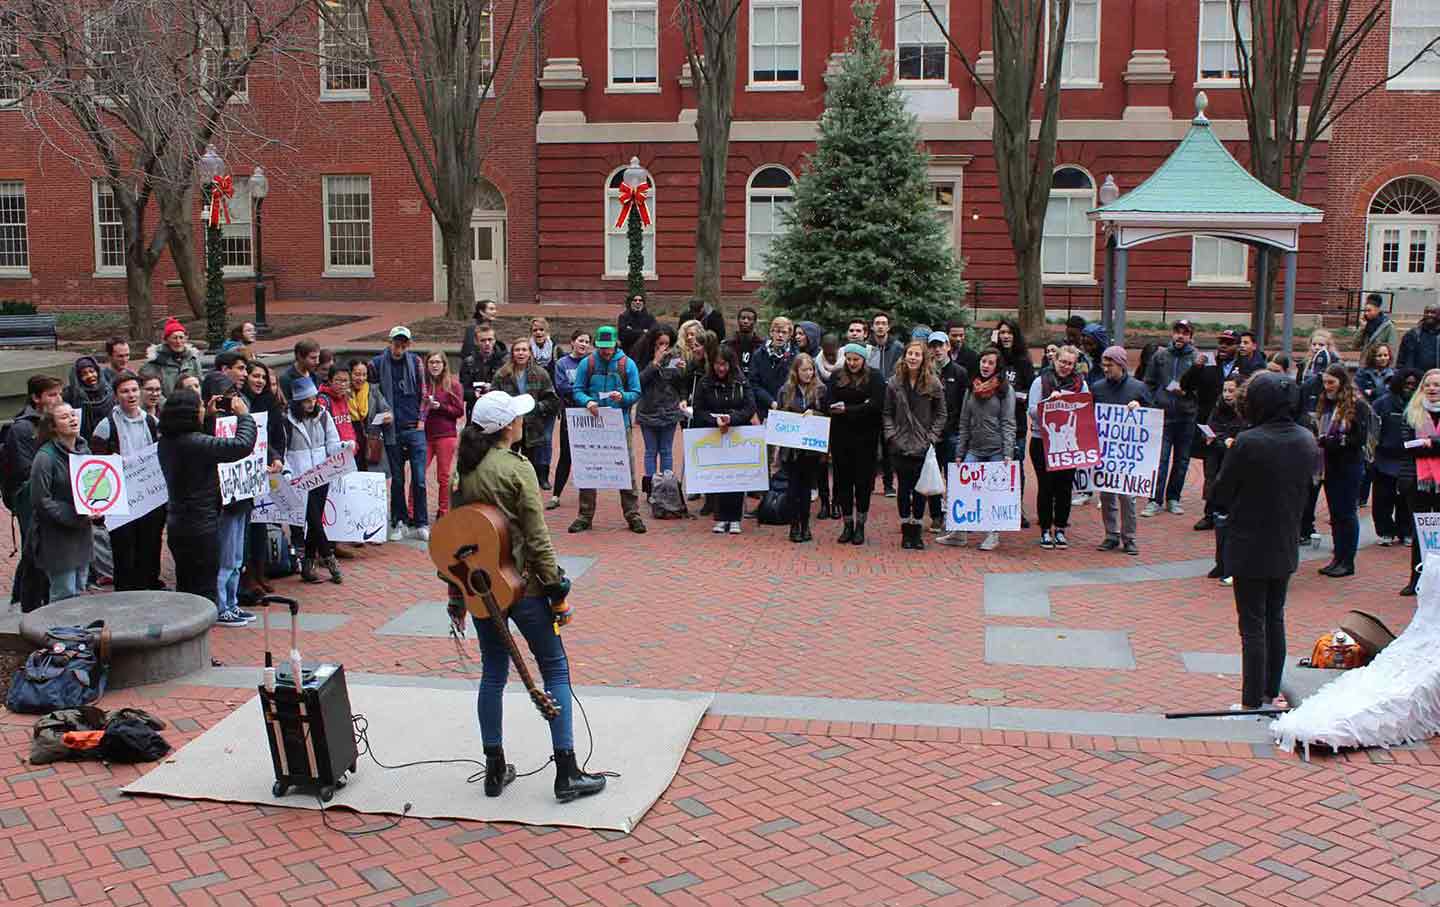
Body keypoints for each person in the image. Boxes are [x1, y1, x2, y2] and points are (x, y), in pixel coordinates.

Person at [450, 390, 608, 803]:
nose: (522, 421)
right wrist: (555, 582)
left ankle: (494, 767)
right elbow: (537, 537)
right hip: (525, 587)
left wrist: (456, 594)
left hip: (482, 588)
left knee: (492, 674)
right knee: (555, 668)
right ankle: (567, 770)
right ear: (506, 428)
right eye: (517, 418)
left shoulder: (463, 471)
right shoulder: (516, 468)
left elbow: (455, 540)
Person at [1210, 371, 1317, 713]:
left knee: (1252, 625)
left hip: (1249, 541)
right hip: (1284, 540)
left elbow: (1222, 493)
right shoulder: (1305, 439)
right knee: (1275, 618)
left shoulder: (1249, 441)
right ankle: (1269, 692)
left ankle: (1252, 700)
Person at [157, 387, 256, 621]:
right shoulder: (193, 443)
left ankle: (190, 650)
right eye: (200, 408)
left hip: (179, 525)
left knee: (188, 590)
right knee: (204, 596)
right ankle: (202, 653)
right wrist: (244, 416)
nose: (203, 409)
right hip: (200, 527)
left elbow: (205, 445)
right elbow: (241, 445)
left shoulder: (168, 443)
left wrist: (210, 418)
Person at [90, 371, 163, 592]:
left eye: (133, 390)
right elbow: (96, 466)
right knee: (124, 550)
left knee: (150, 546)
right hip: (121, 502)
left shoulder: (152, 422)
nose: (130, 395)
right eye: (124, 391)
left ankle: (149, 588)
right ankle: (126, 594)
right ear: (115, 396)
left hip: (150, 498)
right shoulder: (106, 426)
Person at [569, 325, 646, 534]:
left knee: (626, 470)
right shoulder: (588, 363)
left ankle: (633, 514)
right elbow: (577, 389)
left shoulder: (627, 364)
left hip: (619, 424)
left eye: (609, 347)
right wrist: (587, 402)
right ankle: (585, 515)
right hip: (592, 424)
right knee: (588, 469)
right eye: (602, 347)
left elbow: (636, 392)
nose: (606, 351)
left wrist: (623, 398)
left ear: (615, 344)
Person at [27, 403, 96, 603]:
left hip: (82, 534)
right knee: (63, 595)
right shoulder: (44, 458)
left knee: (79, 590)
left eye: (73, 415)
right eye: (65, 417)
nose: (73, 419)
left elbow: (91, 488)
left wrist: (98, 507)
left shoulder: (85, 450)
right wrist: (75, 513)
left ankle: (77, 632)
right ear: (53, 427)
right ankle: (60, 633)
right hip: (57, 538)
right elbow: (41, 500)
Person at [949, 347, 1016, 551]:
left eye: (990, 363)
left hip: (996, 449)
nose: (985, 366)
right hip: (974, 449)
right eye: (983, 361)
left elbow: (1008, 422)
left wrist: (1007, 453)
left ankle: (992, 534)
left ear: (997, 367)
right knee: (964, 490)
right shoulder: (972, 388)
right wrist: (960, 453)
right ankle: (960, 533)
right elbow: (964, 422)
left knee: (994, 494)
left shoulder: (1005, 390)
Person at [285, 377, 350, 585]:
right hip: (300, 477)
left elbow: (331, 442)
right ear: (297, 402)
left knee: (315, 521)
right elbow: (284, 449)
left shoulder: (323, 416)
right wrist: (287, 471)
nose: (311, 403)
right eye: (306, 400)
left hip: (322, 475)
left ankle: (308, 565)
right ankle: (330, 560)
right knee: (313, 520)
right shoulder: (286, 420)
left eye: (313, 399)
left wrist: (342, 448)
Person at [883, 341, 946, 551]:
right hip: (899, 444)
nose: (912, 357)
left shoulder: (933, 383)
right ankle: (905, 530)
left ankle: (917, 529)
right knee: (903, 487)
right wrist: (892, 436)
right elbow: (887, 413)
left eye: (917, 354)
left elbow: (941, 414)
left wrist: (931, 437)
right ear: (905, 356)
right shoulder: (894, 383)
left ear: (923, 358)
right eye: (910, 353)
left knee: (920, 489)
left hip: (922, 444)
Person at [1088, 346, 1151, 555]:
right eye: (1104, 364)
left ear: (1121, 365)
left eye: (1110, 365)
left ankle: (1129, 537)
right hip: (1106, 452)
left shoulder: (1138, 388)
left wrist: (1140, 407)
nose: (1106, 369)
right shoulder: (1097, 388)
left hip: (1128, 454)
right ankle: (1111, 534)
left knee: (1127, 497)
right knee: (1106, 495)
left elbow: (1153, 417)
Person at [5, 376, 62, 608]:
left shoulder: (57, 421)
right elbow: (25, 468)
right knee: (35, 550)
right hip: (28, 497)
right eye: (52, 395)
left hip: (51, 494)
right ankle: (28, 602)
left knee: (42, 551)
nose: (58, 399)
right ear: (36, 398)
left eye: (59, 394)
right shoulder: (22, 428)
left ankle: (27, 598)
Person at [371, 326, 430, 541]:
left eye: (404, 343)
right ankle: (398, 521)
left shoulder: (415, 363)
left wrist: (422, 420)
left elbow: (424, 393)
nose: (400, 347)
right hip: (391, 430)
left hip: (414, 427)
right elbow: (373, 394)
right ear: (390, 342)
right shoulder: (377, 364)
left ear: (409, 344)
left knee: (420, 478)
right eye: (397, 342)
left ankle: (421, 522)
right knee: (397, 478)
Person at [1027, 345, 1088, 549]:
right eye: (1062, 362)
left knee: (1064, 487)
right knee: (1046, 486)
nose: (1066, 366)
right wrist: (1049, 402)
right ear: (1055, 361)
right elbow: (1032, 410)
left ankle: (1060, 528)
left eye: (1070, 363)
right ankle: (1045, 529)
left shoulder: (1081, 384)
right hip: (1042, 441)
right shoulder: (1040, 381)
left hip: (1068, 444)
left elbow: (1087, 408)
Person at [1313, 364, 1370, 578]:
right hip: (1330, 464)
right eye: (1325, 382)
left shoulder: (1356, 405)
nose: (1327, 387)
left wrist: (1333, 441)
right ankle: (1337, 557)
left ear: (1342, 382)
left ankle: (1348, 560)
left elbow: (1358, 438)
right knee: (1335, 514)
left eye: (1331, 383)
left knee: (1347, 513)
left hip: (1349, 465)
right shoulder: (1326, 403)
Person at [691, 346, 756, 535]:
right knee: (718, 477)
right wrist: (714, 420)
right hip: (714, 434)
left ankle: (735, 518)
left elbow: (749, 406)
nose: (721, 369)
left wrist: (733, 419)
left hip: (737, 432)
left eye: (724, 364)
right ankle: (720, 517)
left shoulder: (741, 382)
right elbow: (698, 409)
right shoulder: (705, 383)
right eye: (718, 364)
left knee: (735, 477)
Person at [1142, 320, 1202, 517]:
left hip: (1186, 416)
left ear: (1191, 336)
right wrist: (1153, 404)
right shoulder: (1160, 356)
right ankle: (1154, 500)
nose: (1180, 336)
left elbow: (1205, 387)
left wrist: (1190, 396)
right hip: (1163, 416)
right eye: (1177, 332)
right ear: (1172, 333)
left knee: (1182, 460)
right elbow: (1148, 383)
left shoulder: (1197, 358)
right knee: (1161, 459)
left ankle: (1173, 498)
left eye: (1185, 333)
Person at [828, 343, 885, 545]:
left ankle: (860, 525)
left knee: (862, 483)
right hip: (840, 438)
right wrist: (862, 405)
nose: (852, 363)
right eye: (849, 359)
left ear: (864, 360)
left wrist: (849, 410)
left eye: (856, 359)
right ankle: (847, 524)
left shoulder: (875, 377)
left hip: (866, 439)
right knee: (843, 482)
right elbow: (830, 401)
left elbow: (876, 405)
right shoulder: (836, 376)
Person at [238, 361, 288, 588]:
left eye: (263, 377)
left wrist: (277, 459)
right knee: (246, 527)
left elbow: (276, 436)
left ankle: (260, 572)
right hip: (245, 471)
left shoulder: (271, 403)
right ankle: (247, 577)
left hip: (268, 469)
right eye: (255, 376)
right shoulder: (240, 403)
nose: (259, 381)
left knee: (261, 524)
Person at [494, 337, 561, 484]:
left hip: (532, 426)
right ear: (512, 353)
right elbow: (494, 397)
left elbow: (553, 400)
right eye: (517, 350)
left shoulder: (541, 373)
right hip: (509, 425)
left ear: (530, 353)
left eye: (524, 350)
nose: (520, 353)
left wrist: (537, 407)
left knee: (529, 464)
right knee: (508, 460)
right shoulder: (502, 375)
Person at [776, 353, 827, 543]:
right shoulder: (786, 390)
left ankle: (805, 524)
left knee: (806, 488)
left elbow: (828, 415)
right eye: (804, 370)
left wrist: (816, 413)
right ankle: (794, 525)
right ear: (796, 371)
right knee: (793, 487)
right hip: (792, 448)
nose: (808, 373)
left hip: (811, 448)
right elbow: (779, 415)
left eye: (811, 369)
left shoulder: (820, 390)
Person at [1201, 374, 1246, 583]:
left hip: (1234, 467)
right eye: (1225, 390)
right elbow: (1212, 429)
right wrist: (1219, 439)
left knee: (1231, 519)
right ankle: (1221, 563)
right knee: (1220, 516)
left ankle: (1231, 565)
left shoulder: (1246, 411)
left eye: (1231, 390)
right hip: (1217, 460)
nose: (1227, 395)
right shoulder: (1218, 407)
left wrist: (1230, 441)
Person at [634, 325, 685, 499]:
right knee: (650, 451)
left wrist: (681, 370)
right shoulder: (643, 357)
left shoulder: (675, 356)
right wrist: (654, 363)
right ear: (653, 343)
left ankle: (667, 487)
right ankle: (651, 489)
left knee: (666, 450)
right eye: (659, 344)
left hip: (669, 410)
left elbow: (680, 385)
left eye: (667, 344)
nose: (664, 348)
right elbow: (637, 382)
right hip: (649, 410)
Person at [1401, 369, 1440, 595]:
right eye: (1428, 385)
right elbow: (1406, 445)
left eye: (1437, 385)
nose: (1433, 389)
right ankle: (1417, 578)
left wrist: (1430, 444)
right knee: (1421, 531)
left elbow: (1423, 445)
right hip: (1417, 481)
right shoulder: (1412, 413)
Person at [926, 332, 968, 535]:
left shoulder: (959, 373)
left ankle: (955, 514)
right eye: (933, 346)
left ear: (948, 347)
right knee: (932, 476)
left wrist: (960, 430)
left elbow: (963, 404)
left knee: (954, 476)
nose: (937, 349)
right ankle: (936, 516)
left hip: (953, 433)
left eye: (941, 345)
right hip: (931, 434)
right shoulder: (926, 372)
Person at [1372, 370, 1416, 551]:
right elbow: (1373, 429)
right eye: (1407, 384)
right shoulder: (1383, 403)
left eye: (1414, 384)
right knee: (1383, 497)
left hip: (1410, 458)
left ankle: (1406, 531)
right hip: (1385, 457)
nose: (1410, 387)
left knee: (1407, 499)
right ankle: (1385, 531)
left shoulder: (1419, 405)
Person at [549, 330, 592, 509]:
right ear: (572, 342)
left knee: (588, 454)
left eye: (587, 342)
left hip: (590, 413)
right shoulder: (562, 363)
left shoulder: (592, 362)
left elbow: (595, 385)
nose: (584, 344)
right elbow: (561, 386)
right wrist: (582, 391)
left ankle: (587, 494)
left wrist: (579, 390)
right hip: (570, 413)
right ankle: (556, 495)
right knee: (566, 455)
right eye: (580, 340)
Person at [868, 312, 906, 498]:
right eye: (877, 323)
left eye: (884, 323)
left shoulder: (898, 347)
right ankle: (869, 483)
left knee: (888, 443)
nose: (881, 327)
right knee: (869, 444)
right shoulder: (869, 348)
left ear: (888, 327)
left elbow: (901, 371)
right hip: (871, 402)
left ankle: (889, 484)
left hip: (890, 401)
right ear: (872, 327)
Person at [345, 359, 392, 473]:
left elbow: (388, 413)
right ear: (350, 374)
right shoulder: (343, 392)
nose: (361, 378)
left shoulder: (373, 391)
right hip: (349, 443)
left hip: (370, 442)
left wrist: (378, 420)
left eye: (364, 374)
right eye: (357, 374)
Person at [748, 316, 794, 423]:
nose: (780, 335)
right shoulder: (759, 354)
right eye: (777, 331)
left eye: (784, 332)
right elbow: (753, 383)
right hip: (764, 408)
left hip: (788, 411)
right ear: (771, 332)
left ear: (789, 335)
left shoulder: (795, 356)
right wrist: (770, 401)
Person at [63, 354, 114, 444]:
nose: (90, 375)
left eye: (92, 371)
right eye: (84, 374)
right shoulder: (71, 394)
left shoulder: (108, 391)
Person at [146, 318, 203, 396]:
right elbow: (152, 388)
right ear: (166, 340)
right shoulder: (156, 360)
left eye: (181, 337)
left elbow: (200, 381)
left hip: (190, 403)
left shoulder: (192, 358)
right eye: (174, 338)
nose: (178, 342)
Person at [459, 321, 507, 411]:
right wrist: (474, 394)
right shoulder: (468, 362)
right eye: (483, 340)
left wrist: (492, 388)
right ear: (476, 342)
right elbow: (462, 390)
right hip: (475, 408)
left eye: (490, 339)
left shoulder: (504, 362)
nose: (487, 343)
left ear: (495, 340)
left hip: (498, 408)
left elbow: (511, 388)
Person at [459, 299, 507, 368]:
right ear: (481, 312)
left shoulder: (491, 329)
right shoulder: (472, 329)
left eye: (495, 309)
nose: (495, 312)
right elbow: (467, 353)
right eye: (491, 309)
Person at [1400, 304, 1440, 374]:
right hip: (1416, 377)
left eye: (1433, 312)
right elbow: (1402, 358)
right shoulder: (1412, 334)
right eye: (1427, 312)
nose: (1429, 315)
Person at [1356, 294, 1397, 360]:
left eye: (1369, 310)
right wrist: (1362, 329)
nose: (1366, 313)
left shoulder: (1388, 326)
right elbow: (1355, 345)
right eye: (1365, 311)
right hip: (1365, 366)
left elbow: (1392, 350)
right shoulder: (1365, 324)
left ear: (1377, 310)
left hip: (1380, 367)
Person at [279, 338, 321, 402]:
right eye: (313, 358)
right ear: (300, 357)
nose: (317, 362)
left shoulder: (314, 375)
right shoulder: (286, 379)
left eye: (318, 357)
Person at [616, 293, 656, 358]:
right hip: (628, 352)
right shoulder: (623, 317)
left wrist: (631, 331)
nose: (638, 302)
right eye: (635, 300)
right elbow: (623, 335)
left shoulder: (650, 317)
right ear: (631, 302)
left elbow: (654, 332)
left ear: (643, 303)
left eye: (640, 300)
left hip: (645, 352)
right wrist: (643, 332)